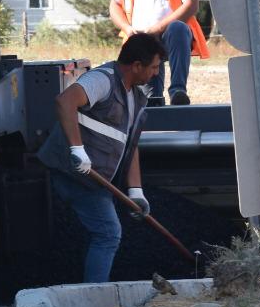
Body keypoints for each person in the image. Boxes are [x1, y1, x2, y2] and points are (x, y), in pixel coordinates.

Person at [38, 33, 166, 283]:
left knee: (105, 231)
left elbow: (130, 145)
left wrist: (136, 191)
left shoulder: (136, 94)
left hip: (97, 178)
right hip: (74, 172)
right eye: (153, 67)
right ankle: (94, 295)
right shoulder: (103, 80)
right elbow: (64, 102)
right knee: (109, 233)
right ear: (136, 65)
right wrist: (77, 149)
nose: (155, 73)